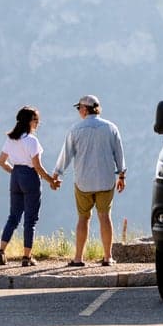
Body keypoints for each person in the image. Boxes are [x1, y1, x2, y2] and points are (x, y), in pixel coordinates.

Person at [52, 94, 126, 267]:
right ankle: (108, 257)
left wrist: (57, 173)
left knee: (83, 218)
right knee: (105, 216)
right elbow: (119, 153)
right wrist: (121, 175)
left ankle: (78, 258)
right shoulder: (111, 128)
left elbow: (66, 154)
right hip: (106, 180)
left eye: (79, 108)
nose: (79, 111)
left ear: (85, 109)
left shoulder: (76, 129)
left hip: (83, 181)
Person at [0, 106, 57, 267]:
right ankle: (27, 257)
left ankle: (1, 251)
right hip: (30, 177)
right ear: (30, 121)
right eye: (36, 120)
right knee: (30, 220)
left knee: (13, 217)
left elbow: (1, 161)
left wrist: (14, 172)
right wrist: (51, 181)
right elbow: (37, 166)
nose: (38, 123)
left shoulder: (11, 138)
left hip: (15, 176)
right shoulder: (32, 141)